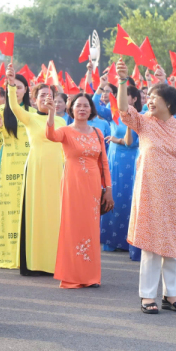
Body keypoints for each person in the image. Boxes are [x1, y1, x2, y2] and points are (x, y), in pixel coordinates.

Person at [115, 59, 176, 313]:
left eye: (155, 97)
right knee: (152, 245)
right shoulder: (143, 122)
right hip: (149, 191)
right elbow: (123, 110)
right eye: (148, 97)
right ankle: (147, 296)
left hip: (175, 194)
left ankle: (171, 295)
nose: (149, 101)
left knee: (172, 244)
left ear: (170, 103)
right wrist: (121, 81)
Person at [44, 92, 112, 288]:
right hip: (72, 185)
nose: (82, 108)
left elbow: (104, 163)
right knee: (72, 227)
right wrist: (50, 113)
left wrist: (107, 188)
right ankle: (72, 276)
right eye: (78, 105)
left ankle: (90, 277)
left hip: (92, 187)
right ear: (71, 109)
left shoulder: (98, 133)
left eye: (86, 105)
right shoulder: (65, 130)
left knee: (90, 229)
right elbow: (50, 135)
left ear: (91, 109)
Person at [5, 64, 66, 275]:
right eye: (42, 96)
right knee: (36, 213)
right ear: (34, 100)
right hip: (36, 169)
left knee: (56, 215)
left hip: (57, 170)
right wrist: (11, 85)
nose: (47, 99)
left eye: (51, 96)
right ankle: (35, 262)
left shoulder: (61, 120)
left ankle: (56, 262)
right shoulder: (30, 117)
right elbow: (13, 107)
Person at [92, 62, 141, 261]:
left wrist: (118, 139)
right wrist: (100, 86)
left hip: (132, 160)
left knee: (129, 199)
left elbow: (133, 142)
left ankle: (128, 240)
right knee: (113, 197)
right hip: (114, 161)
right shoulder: (114, 114)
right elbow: (94, 105)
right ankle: (111, 240)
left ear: (134, 98)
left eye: (126, 95)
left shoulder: (140, 116)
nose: (120, 98)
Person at [0, 74, 31, 270]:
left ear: (26, 90)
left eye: (19, 87)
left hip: (32, 166)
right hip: (8, 167)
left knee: (31, 210)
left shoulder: (33, 112)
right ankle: (9, 255)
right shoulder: (0, 112)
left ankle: (32, 255)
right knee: (9, 211)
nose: (16, 91)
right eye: (12, 87)